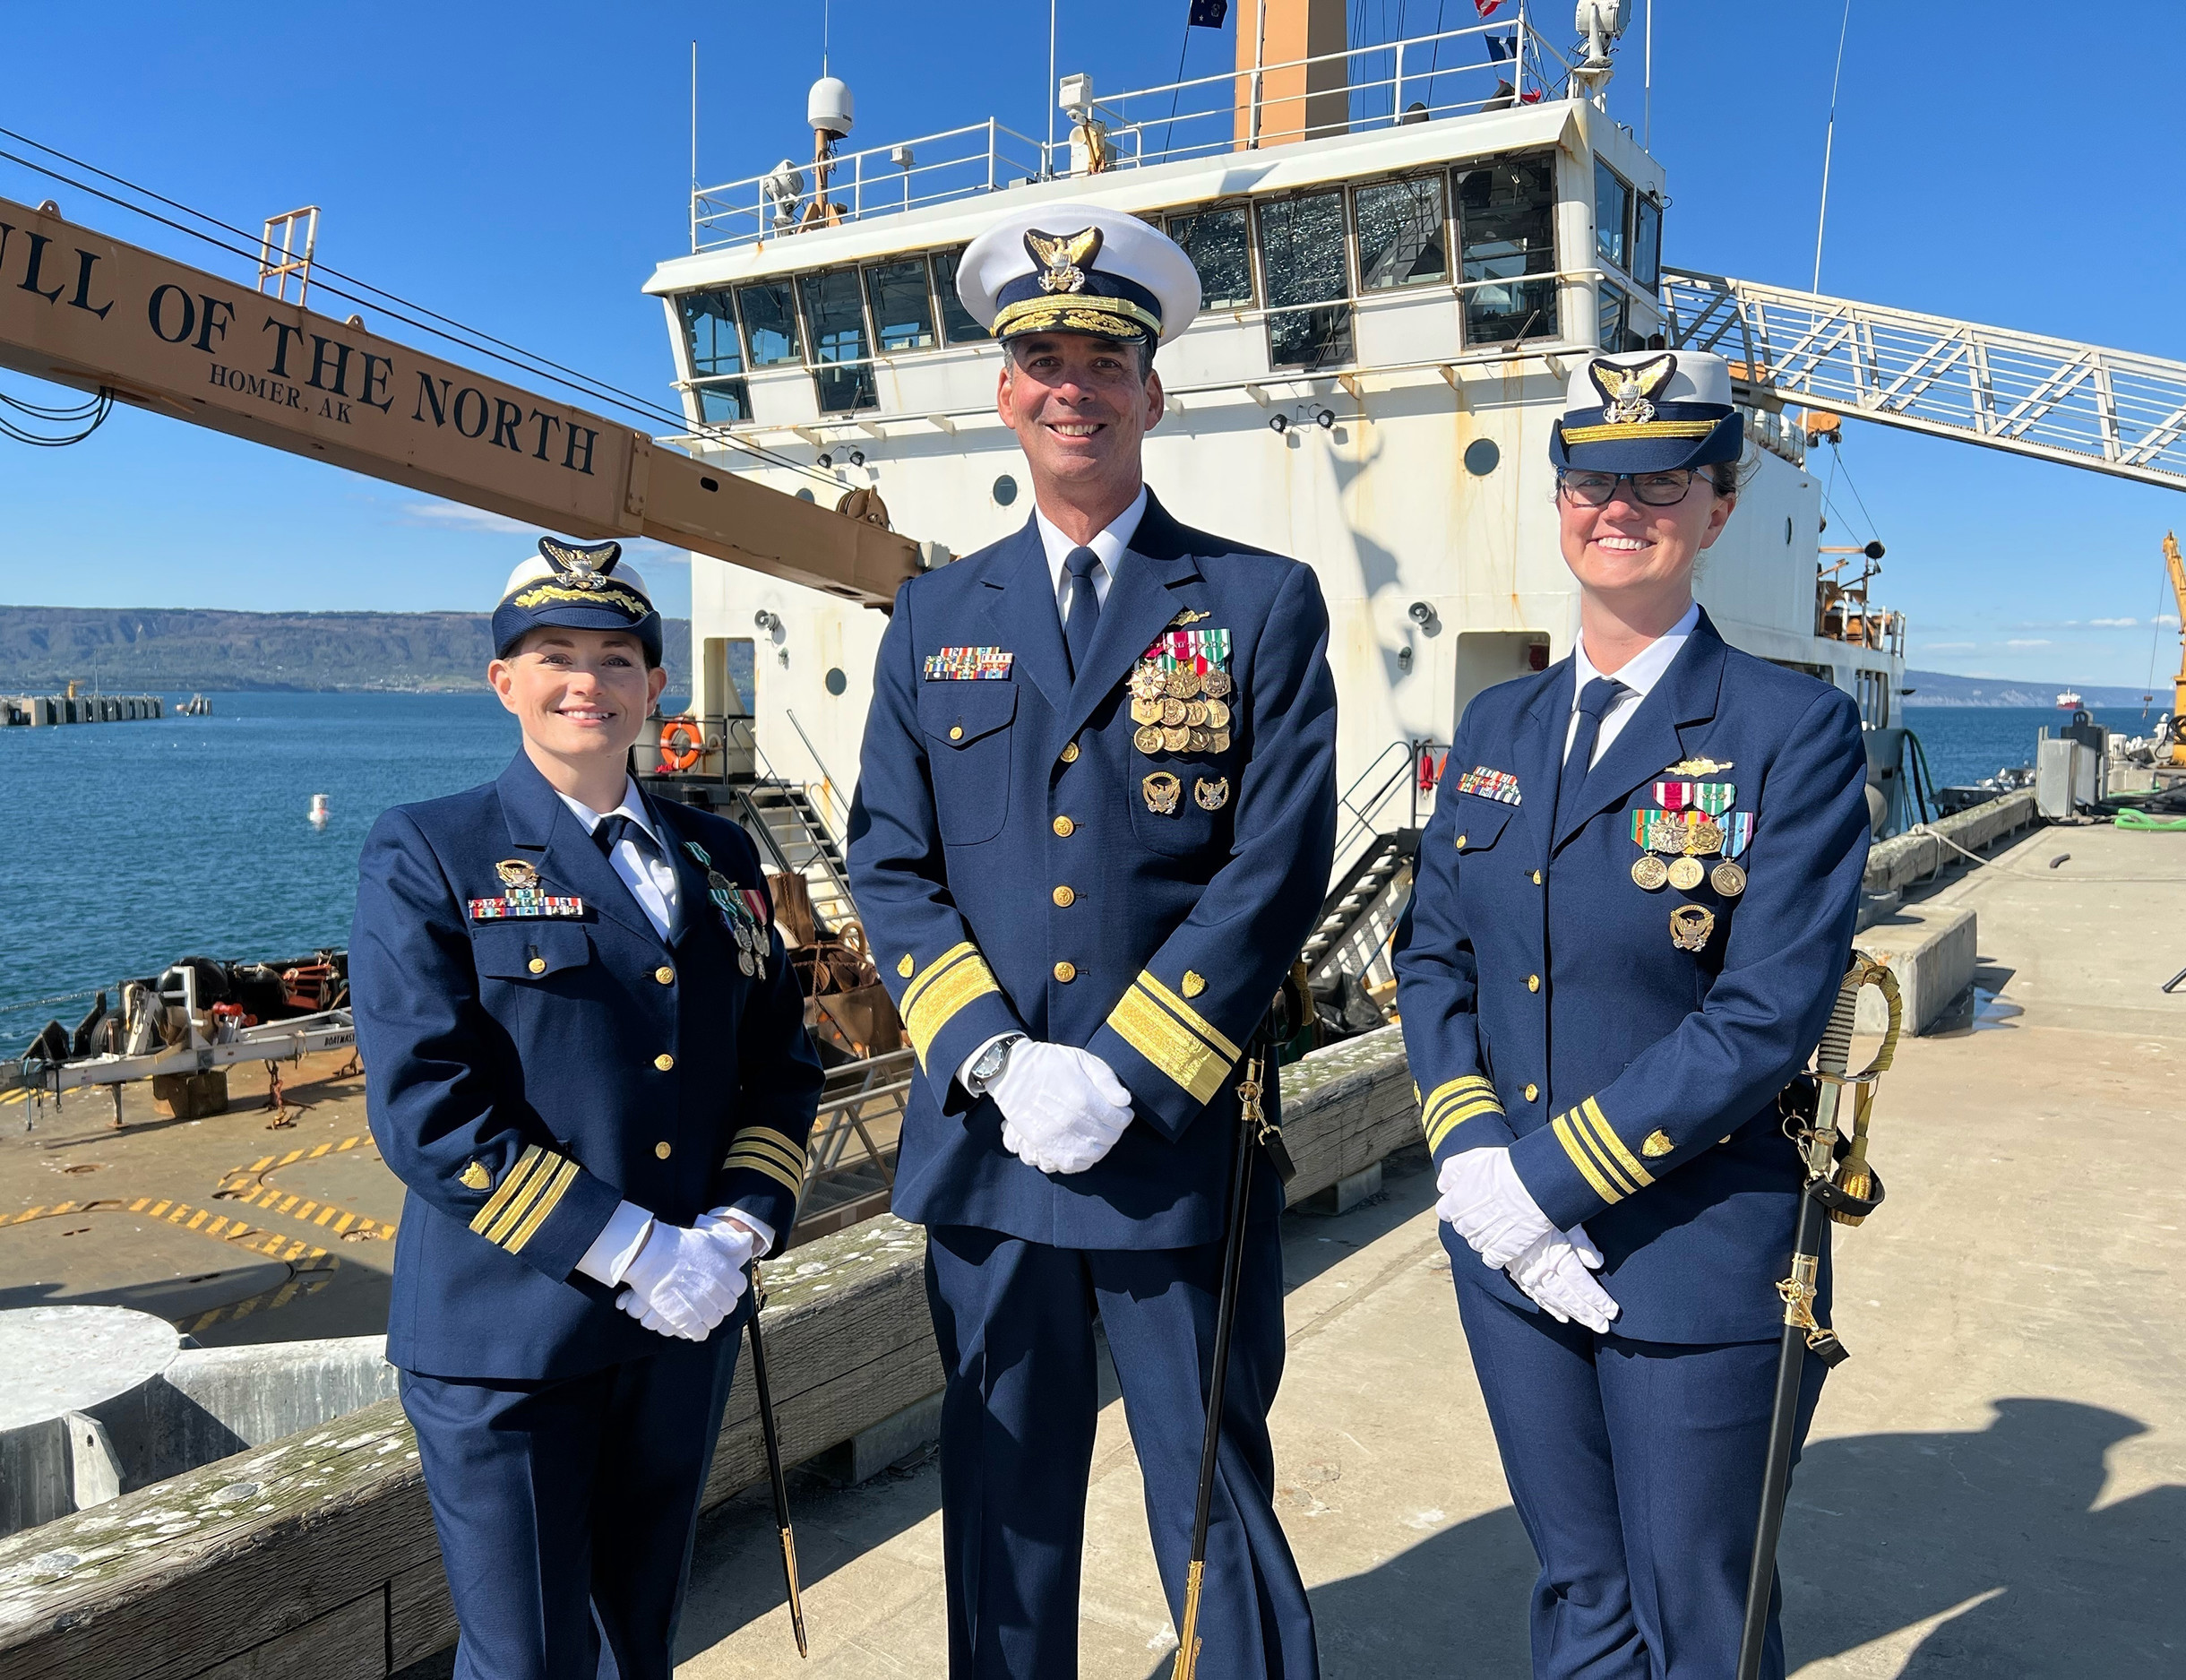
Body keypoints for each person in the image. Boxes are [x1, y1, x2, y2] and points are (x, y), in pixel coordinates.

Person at [847, 204, 1337, 1679]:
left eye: (1105, 358)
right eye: (1043, 359)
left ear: (1152, 392)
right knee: (1002, 1504)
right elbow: (889, 860)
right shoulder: (935, 616)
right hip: (993, 1152)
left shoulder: (1257, 605)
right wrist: (997, 1060)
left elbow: (1276, 861)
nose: (1074, 385)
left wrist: (1124, 1072)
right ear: (1005, 394)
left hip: (1174, 1148)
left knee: (1210, 1494)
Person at [1391, 350, 1872, 1679]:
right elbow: (1432, 953)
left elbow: (1766, 1011)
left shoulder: (1793, 730)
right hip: (1508, 1251)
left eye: (1659, 478)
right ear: (1560, 504)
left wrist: (1542, 1182)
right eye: (1592, 479)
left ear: (1716, 508)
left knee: (1697, 1617)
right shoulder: (1500, 719)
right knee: (1582, 1596)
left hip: (1694, 1254)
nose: (1620, 504)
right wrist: (1473, 1152)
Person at [352, 538, 823, 1680]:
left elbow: (780, 1067)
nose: (586, 682)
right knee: (531, 1660)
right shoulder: (430, 848)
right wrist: (625, 1251)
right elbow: (429, 1109)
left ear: (655, 688)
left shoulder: (718, 854)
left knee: (640, 1637)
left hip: (682, 1330)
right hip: (509, 1337)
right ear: (502, 681)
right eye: (551, 654)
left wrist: (736, 1229)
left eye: (616, 657)